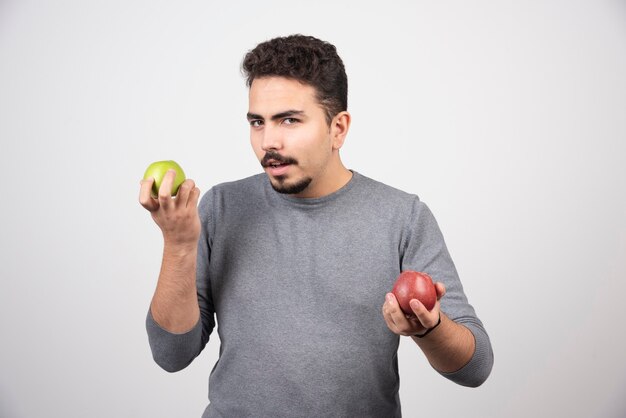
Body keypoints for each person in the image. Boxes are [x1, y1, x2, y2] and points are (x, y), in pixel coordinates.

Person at [139, 34, 493, 418]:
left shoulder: (402, 217)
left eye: (289, 120)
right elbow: (171, 355)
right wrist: (177, 244)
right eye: (257, 122)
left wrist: (429, 328)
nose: (268, 142)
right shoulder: (222, 207)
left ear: (338, 128)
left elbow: (475, 368)